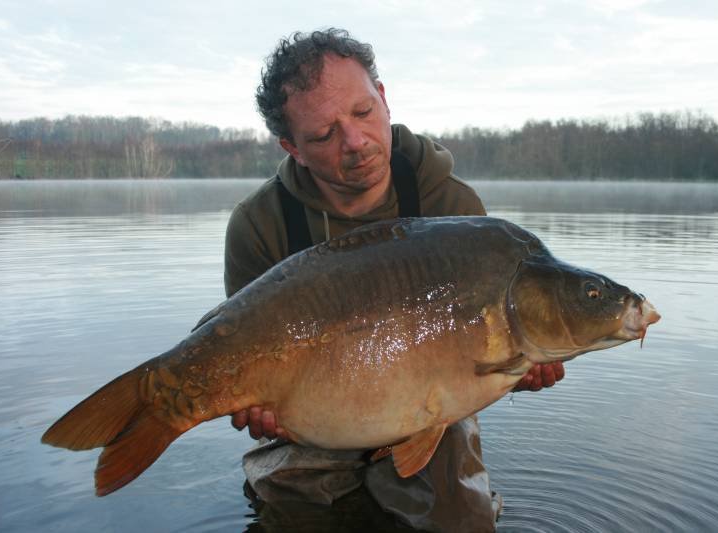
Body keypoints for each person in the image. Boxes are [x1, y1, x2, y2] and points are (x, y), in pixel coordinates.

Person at [224, 28, 565, 532]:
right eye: (323, 135)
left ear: (383, 98)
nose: (355, 142)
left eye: (363, 113)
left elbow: (484, 352)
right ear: (292, 146)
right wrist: (256, 405)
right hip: (313, 416)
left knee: (459, 520)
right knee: (292, 515)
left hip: (430, 408)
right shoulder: (260, 224)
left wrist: (524, 367)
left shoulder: (453, 209)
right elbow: (244, 358)